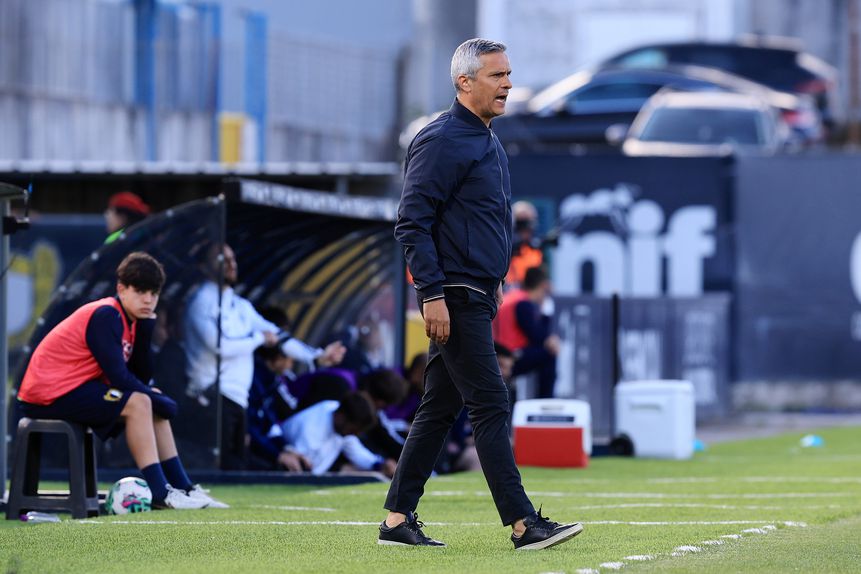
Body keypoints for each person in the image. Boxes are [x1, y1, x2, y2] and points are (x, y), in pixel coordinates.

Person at [380, 38, 582, 550]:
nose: (508, 84)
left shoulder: (486, 139)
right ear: (464, 81)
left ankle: (396, 521)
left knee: (438, 410)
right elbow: (412, 222)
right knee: (491, 403)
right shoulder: (442, 139)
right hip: (453, 295)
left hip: (476, 295)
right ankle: (523, 524)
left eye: (508, 74)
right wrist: (431, 294)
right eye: (497, 75)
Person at [17, 252, 225, 509]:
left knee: (149, 397)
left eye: (154, 293)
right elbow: (119, 377)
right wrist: (154, 398)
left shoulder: (132, 322)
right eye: (140, 291)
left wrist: (146, 330)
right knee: (140, 401)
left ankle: (185, 488)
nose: (148, 299)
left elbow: (140, 377)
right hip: (47, 395)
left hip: (74, 390)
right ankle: (161, 493)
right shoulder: (106, 315)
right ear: (121, 289)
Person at [183, 244, 345, 469]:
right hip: (211, 398)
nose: (230, 264)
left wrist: (316, 357)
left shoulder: (240, 306)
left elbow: (279, 336)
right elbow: (220, 347)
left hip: (237, 399)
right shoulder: (201, 302)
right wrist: (258, 339)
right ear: (203, 267)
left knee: (235, 469)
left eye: (232, 258)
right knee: (219, 469)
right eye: (221, 258)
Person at [280, 392, 397, 476]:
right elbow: (304, 471)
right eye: (354, 429)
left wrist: (380, 464)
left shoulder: (338, 413)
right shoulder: (311, 431)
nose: (355, 434)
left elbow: (355, 450)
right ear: (341, 417)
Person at [493, 266, 560, 398]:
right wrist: (547, 313)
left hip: (501, 351)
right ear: (543, 286)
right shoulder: (522, 303)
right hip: (509, 355)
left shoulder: (513, 297)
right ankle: (545, 401)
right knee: (548, 355)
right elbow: (537, 336)